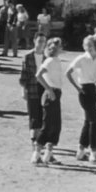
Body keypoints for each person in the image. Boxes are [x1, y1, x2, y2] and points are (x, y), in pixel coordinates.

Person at [65, 36, 96, 164]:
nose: (89, 47)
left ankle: (81, 150)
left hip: (93, 89)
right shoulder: (81, 58)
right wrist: (78, 88)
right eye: (87, 45)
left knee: (88, 121)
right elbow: (68, 73)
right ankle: (93, 152)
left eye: (91, 44)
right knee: (95, 121)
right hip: (84, 89)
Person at [32, 37, 64, 165]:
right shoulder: (49, 61)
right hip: (51, 94)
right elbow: (38, 75)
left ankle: (48, 154)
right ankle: (36, 155)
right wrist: (49, 90)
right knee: (47, 125)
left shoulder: (57, 61)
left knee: (55, 125)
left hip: (56, 93)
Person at [19, 33, 47, 150]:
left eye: (43, 41)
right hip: (32, 87)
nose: (41, 44)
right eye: (39, 41)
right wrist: (23, 90)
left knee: (43, 115)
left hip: (44, 88)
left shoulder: (47, 57)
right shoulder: (28, 56)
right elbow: (23, 75)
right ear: (34, 41)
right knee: (33, 114)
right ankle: (33, 140)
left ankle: (40, 140)